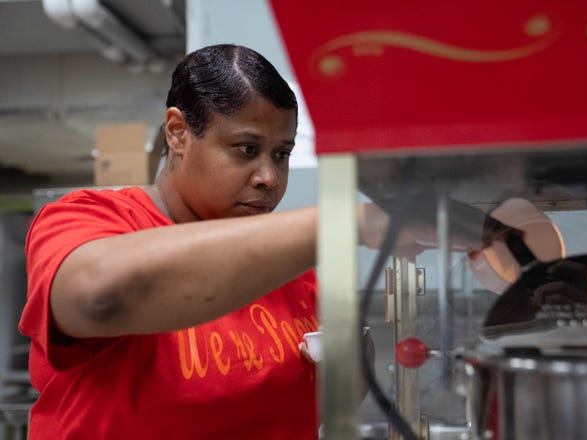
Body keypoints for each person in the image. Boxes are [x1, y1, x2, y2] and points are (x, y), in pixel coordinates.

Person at [18, 44, 439, 440]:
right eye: (246, 149)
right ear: (178, 133)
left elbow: (295, 411)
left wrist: (349, 371)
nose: (269, 178)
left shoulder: (284, 266)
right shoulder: (90, 219)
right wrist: (349, 223)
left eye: (281, 154)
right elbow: (99, 297)